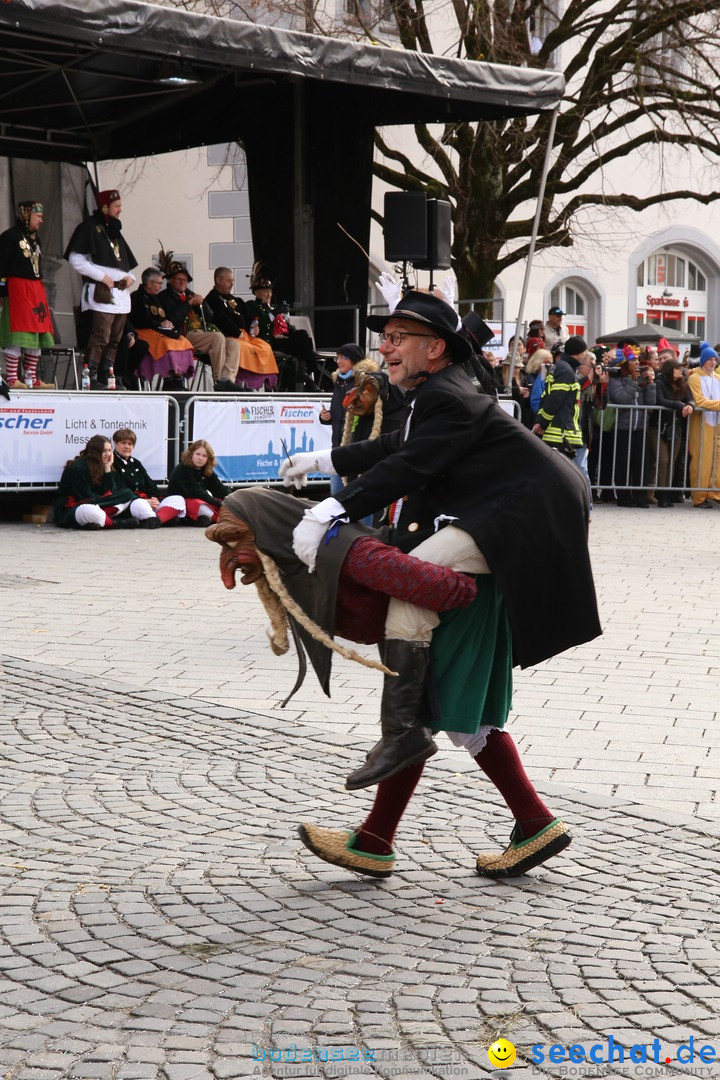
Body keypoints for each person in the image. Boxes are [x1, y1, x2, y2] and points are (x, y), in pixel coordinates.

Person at [278, 291, 600, 878]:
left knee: (409, 588)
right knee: (451, 710)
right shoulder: (435, 394)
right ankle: (518, 823)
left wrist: (330, 511)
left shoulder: (445, 396)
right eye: (386, 336)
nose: (386, 347)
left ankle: (389, 809)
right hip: (507, 517)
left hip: (520, 519)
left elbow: (408, 468)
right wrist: (326, 460)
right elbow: (397, 449)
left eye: (399, 338)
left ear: (436, 348)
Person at [64, 189, 137, 388]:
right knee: (101, 337)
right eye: (117, 206)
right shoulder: (89, 227)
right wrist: (102, 277)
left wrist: (130, 277)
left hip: (121, 295)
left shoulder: (114, 231)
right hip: (101, 294)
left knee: (115, 339)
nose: (120, 210)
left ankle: (107, 375)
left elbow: (123, 265)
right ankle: (92, 376)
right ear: (105, 207)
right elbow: (76, 259)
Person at [158, 262, 239, 391]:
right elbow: (173, 319)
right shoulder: (163, 297)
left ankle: (227, 379)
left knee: (233, 344)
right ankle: (218, 381)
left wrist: (203, 303)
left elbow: (209, 317)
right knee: (217, 338)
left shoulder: (189, 294)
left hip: (200, 333)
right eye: (180, 280)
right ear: (171, 281)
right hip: (182, 336)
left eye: (186, 280)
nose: (184, 283)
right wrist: (189, 303)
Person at [0, 200, 55, 390]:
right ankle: (12, 378)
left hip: (35, 291)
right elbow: (1, 267)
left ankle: (32, 378)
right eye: (38, 216)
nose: (41, 220)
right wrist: (1, 290)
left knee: (36, 333)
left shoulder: (34, 239)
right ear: (26, 215)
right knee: (18, 333)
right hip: (18, 290)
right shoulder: (10, 237)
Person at [54, 435, 159, 529]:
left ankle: (101, 521)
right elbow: (84, 497)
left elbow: (111, 491)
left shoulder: (106, 465)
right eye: (104, 451)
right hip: (76, 506)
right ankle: (116, 523)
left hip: (100, 502)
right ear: (95, 452)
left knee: (126, 493)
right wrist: (110, 498)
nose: (108, 454)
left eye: (109, 450)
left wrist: (108, 469)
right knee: (90, 510)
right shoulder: (79, 467)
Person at [245, 263, 319, 391]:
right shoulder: (252, 305)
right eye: (264, 291)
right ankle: (307, 377)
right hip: (268, 341)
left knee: (303, 336)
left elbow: (287, 327)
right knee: (302, 343)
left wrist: (287, 322)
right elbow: (261, 323)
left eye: (269, 291)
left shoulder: (273, 308)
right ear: (256, 292)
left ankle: (305, 374)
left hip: (283, 339)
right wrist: (274, 313)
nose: (268, 294)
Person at [204, 267, 278, 390]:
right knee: (243, 347)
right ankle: (241, 382)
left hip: (244, 336)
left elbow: (249, 318)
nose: (232, 284)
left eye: (232, 281)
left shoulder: (235, 300)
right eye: (228, 281)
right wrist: (237, 333)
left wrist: (253, 327)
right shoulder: (212, 299)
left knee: (264, 347)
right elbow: (221, 320)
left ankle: (262, 385)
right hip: (228, 336)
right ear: (218, 280)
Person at [130, 268, 196, 387]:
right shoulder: (136, 297)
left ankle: (178, 377)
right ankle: (169, 379)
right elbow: (140, 320)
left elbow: (163, 316)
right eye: (159, 283)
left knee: (184, 341)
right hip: (144, 331)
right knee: (168, 344)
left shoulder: (155, 298)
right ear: (149, 283)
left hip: (158, 330)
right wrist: (160, 324)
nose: (161, 287)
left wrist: (166, 322)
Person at [532, 335, 586, 480]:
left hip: (558, 433)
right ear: (578, 353)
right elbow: (554, 399)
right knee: (566, 479)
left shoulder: (562, 367)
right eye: (584, 353)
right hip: (561, 435)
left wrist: (540, 421)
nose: (584, 356)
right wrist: (542, 423)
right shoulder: (566, 370)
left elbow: (547, 398)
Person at [607, 349, 656, 507]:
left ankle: (640, 496)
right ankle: (623, 496)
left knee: (641, 462)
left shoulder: (640, 379)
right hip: (622, 428)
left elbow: (650, 403)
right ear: (624, 364)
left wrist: (650, 384)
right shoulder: (616, 380)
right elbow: (621, 398)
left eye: (637, 360)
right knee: (623, 463)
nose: (637, 363)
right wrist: (634, 382)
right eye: (632, 360)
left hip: (640, 427)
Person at [112, 428, 186, 525]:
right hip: (130, 504)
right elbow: (120, 490)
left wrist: (153, 498)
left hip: (148, 502)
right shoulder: (112, 463)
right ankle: (161, 519)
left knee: (178, 499)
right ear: (115, 443)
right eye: (123, 443)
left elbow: (151, 484)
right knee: (140, 505)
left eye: (130, 444)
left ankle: (157, 520)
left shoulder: (136, 463)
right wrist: (144, 500)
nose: (127, 446)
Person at [319, 343, 366, 494]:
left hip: (358, 450)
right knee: (337, 498)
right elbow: (338, 414)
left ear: (354, 359)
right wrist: (326, 417)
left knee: (360, 497)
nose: (339, 361)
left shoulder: (364, 382)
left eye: (343, 357)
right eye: (337, 358)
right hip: (338, 449)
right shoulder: (339, 382)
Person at [655, 357, 693, 507]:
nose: (681, 370)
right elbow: (660, 400)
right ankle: (661, 493)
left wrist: (689, 405)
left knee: (672, 460)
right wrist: (679, 405)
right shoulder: (660, 382)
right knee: (663, 460)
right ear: (670, 370)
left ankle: (667, 493)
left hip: (675, 426)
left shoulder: (682, 382)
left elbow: (690, 398)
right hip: (659, 425)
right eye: (677, 368)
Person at [686, 344, 720, 508]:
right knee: (702, 460)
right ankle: (699, 497)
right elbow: (699, 401)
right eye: (710, 359)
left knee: (717, 460)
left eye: (715, 359)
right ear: (703, 361)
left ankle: (714, 493)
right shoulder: (694, 378)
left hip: (717, 424)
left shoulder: (718, 378)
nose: (713, 363)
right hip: (702, 424)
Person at [167, 439, 230, 525]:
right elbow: (196, 492)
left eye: (204, 456)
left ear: (208, 458)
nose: (200, 458)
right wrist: (218, 503)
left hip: (198, 500)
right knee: (202, 506)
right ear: (191, 454)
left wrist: (230, 498)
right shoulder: (183, 469)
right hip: (181, 503)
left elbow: (219, 488)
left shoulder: (206, 470)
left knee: (227, 505)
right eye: (198, 454)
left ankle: (202, 520)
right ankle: (224, 522)